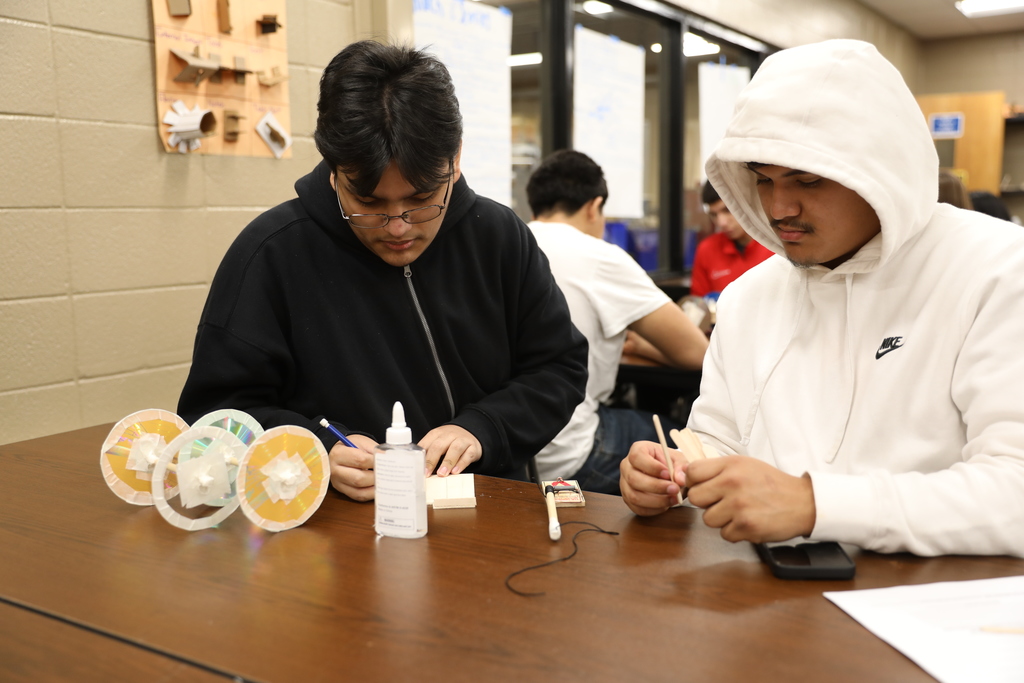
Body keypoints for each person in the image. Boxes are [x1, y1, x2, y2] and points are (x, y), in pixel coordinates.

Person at [620, 39, 1024, 557]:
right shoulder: (750, 296)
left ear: (883, 173)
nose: (778, 206)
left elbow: (1013, 490)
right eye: (762, 180)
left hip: (932, 609)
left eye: (807, 179)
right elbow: (717, 440)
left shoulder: (995, 270)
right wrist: (669, 473)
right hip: (767, 598)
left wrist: (814, 504)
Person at [178, 41, 588, 501]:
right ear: (335, 172)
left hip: (490, 511)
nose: (398, 228)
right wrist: (314, 450)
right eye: (369, 204)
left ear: (454, 161)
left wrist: (484, 428)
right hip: (334, 539)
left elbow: (558, 366)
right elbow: (215, 414)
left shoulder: (497, 236)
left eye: (420, 201)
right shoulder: (271, 253)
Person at [525, 150, 708, 493]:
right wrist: (643, 346)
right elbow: (697, 353)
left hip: (505, 449)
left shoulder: (510, 243)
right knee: (680, 440)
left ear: (534, 206)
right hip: (568, 454)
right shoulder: (599, 257)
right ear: (594, 206)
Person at [689, 179, 773, 297]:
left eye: (727, 210)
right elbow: (699, 305)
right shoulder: (707, 249)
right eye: (714, 215)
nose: (721, 222)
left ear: (747, 203)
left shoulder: (777, 246)